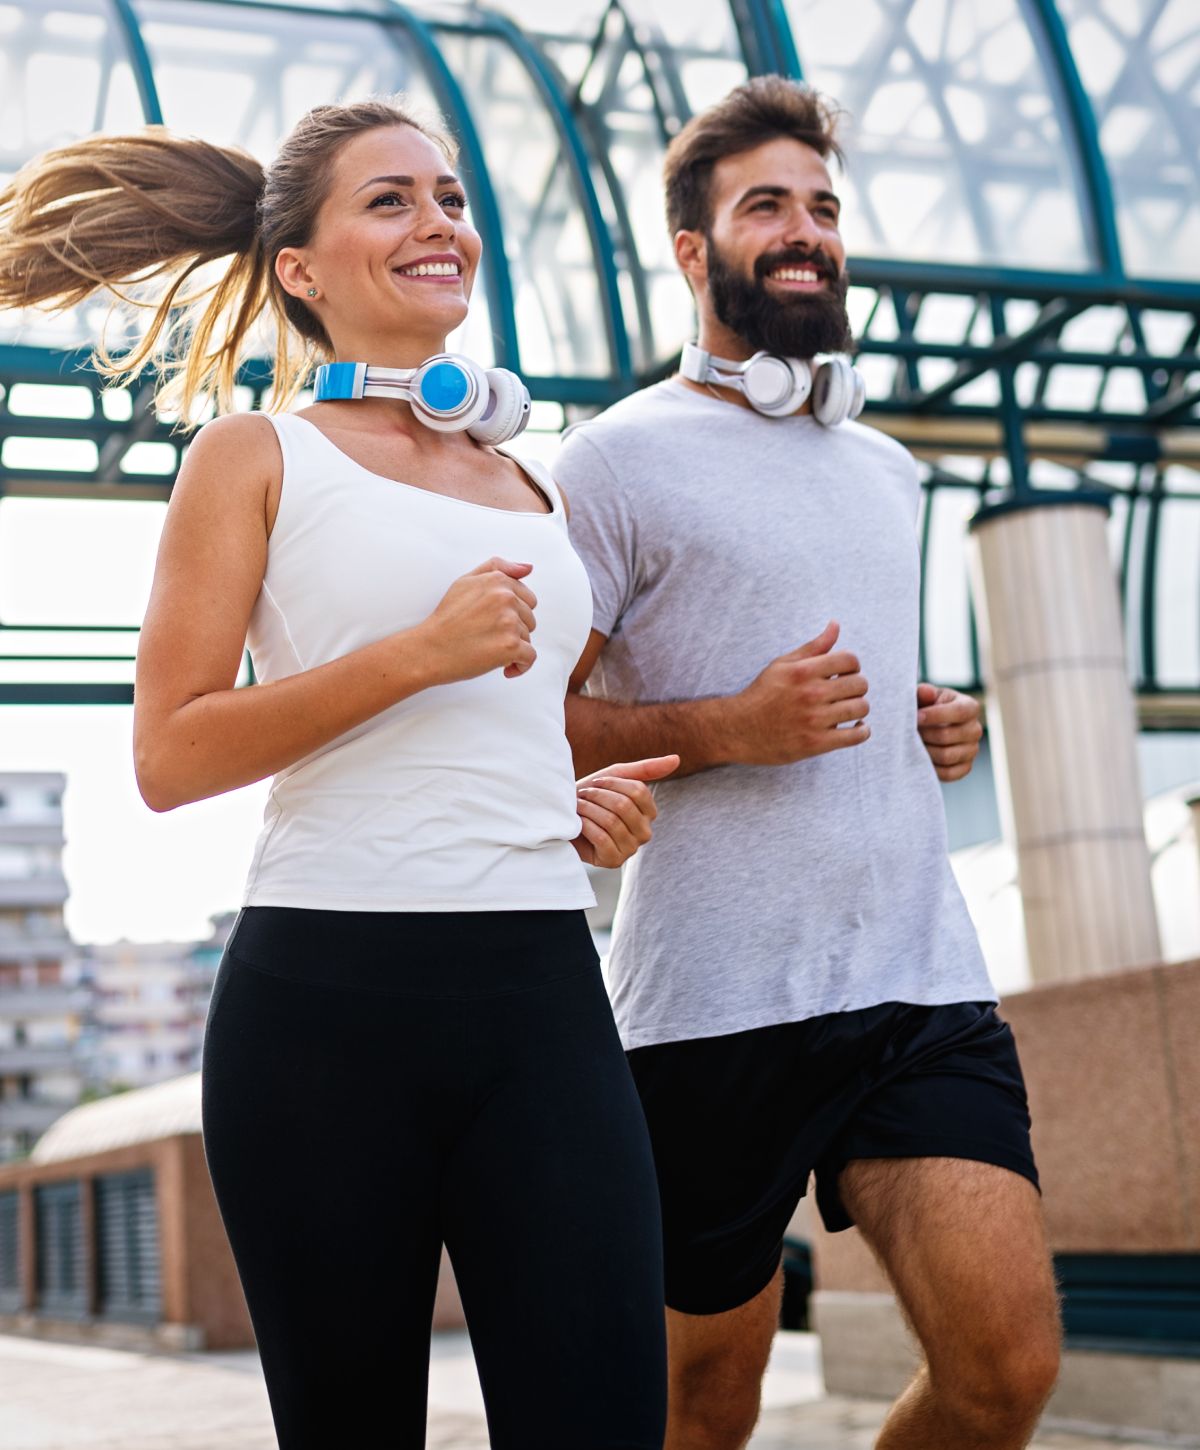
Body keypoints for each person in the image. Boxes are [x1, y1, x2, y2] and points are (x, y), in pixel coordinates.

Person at [0, 99, 676, 1450]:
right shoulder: (254, 456)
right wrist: (416, 654)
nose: (439, 223)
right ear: (299, 269)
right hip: (324, 1010)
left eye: (451, 197)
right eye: (389, 199)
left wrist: (577, 808)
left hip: (541, 993)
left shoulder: (528, 485)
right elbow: (170, 751)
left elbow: (511, 729)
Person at [556, 77, 1062, 1450]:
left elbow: (854, 683)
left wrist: (934, 721)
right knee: (699, 1404)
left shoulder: (887, 467)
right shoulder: (610, 460)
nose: (806, 230)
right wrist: (729, 727)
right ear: (693, 249)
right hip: (707, 1004)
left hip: (917, 975)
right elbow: (527, 726)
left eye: (824, 206)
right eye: (766, 204)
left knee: (1004, 1369)